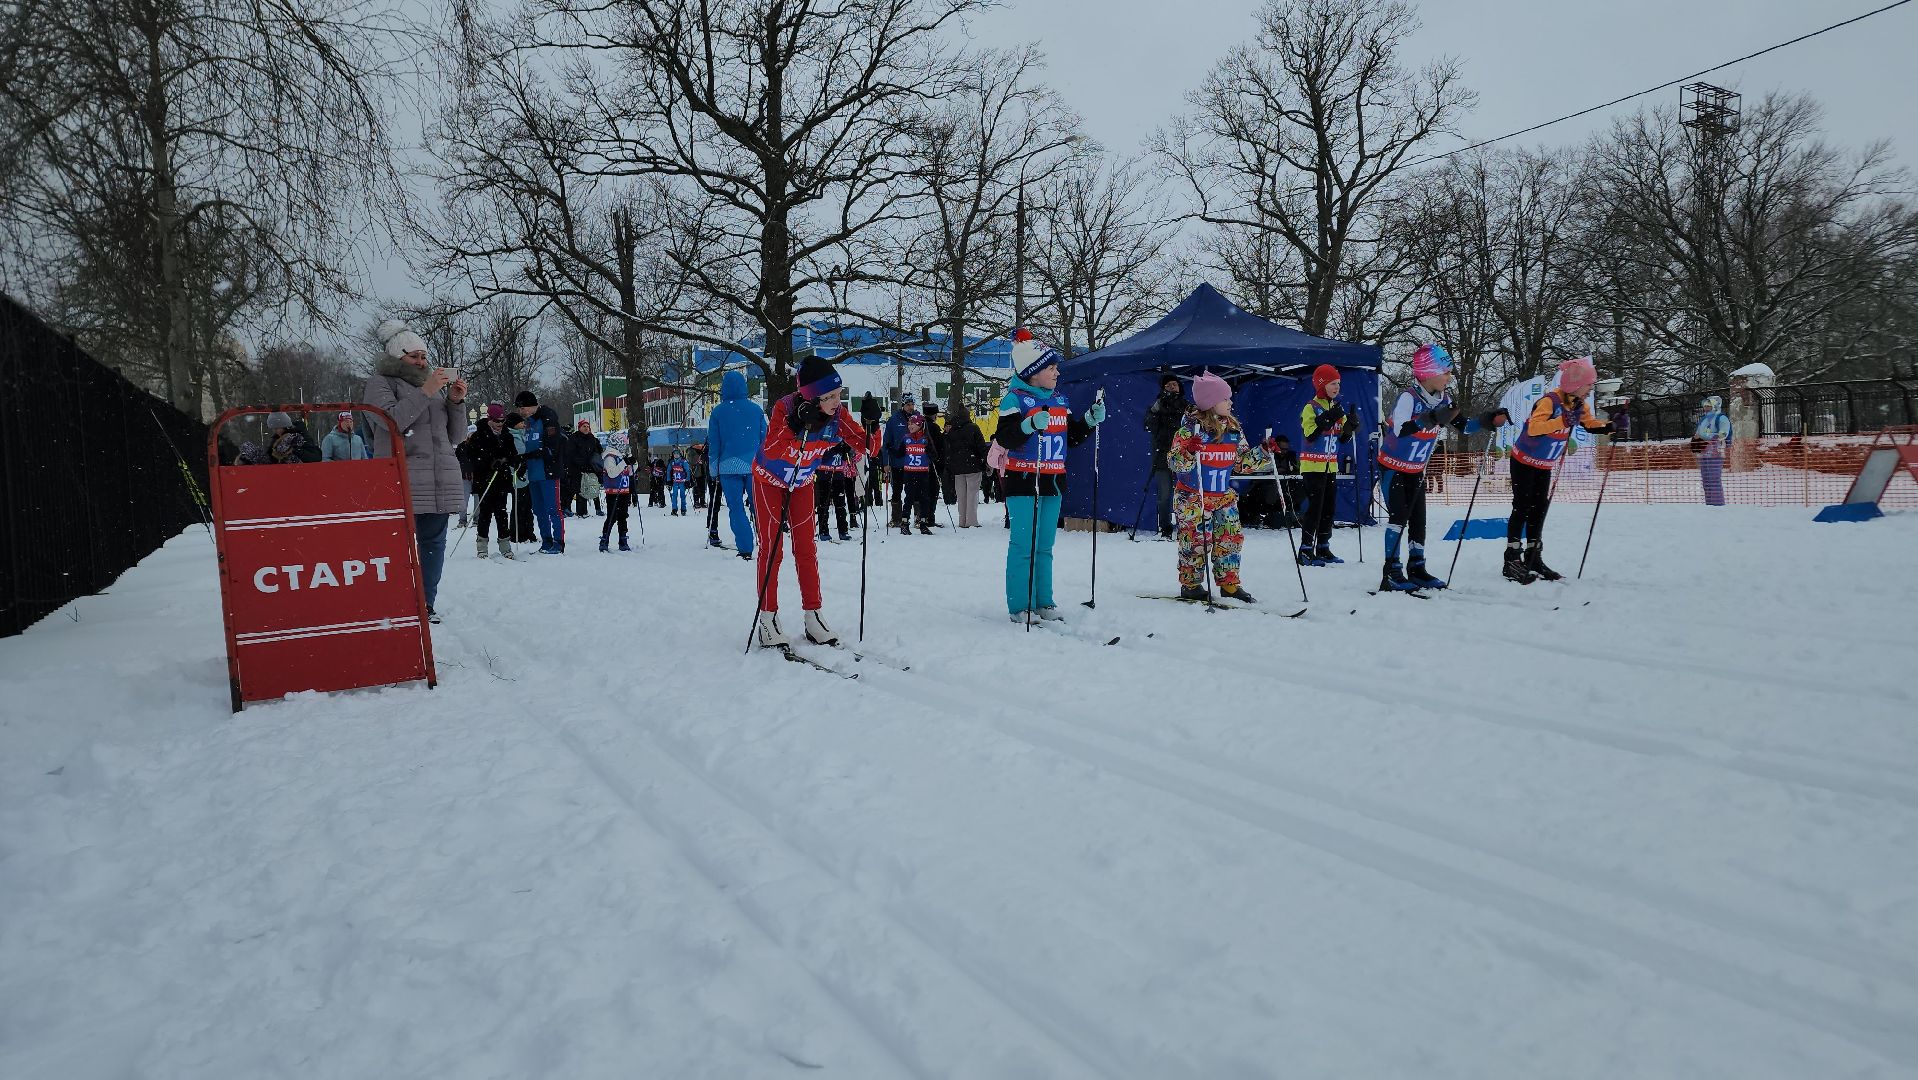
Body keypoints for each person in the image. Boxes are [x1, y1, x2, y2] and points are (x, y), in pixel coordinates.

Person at [751, 356, 867, 648]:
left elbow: (865, 442)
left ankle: (813, 614)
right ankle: (768, 618)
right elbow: (773, 447)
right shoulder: (785, 407)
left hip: (802, 482)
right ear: (812, 397)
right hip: (769, 480)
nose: (836, 402)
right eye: (829, 397)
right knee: (772, 549)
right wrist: (794, 423)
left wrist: (873, 428)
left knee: (806, 548)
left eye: (839, 395)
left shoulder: (838, 415)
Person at [1374, 344, 1507, 592]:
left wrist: (1488, 419)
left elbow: (1464, 426)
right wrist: (1432, 419)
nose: (1449, 376)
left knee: (1418, 520)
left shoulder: (1445, 399)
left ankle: (1417, 568)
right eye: (1446, 372)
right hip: (1393, 467)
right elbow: (1401, 429)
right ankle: (1391, 570)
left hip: (1416, 470)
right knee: (1398, 518)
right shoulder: (1408, 397)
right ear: (1428, 373)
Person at [996, 329, 1103, 622]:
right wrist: (1028, 426)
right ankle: (1020, 605)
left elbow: (1072, 437)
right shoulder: (1014, 400)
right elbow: (1005, 437)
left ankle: (1044, 601)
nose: (1057, 372)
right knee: (1023, 544)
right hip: (1023, 480)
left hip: (1053, 479)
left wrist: (1089, 421)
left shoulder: (1060, 400)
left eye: (1056, 367)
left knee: (1045, 545)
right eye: (1051, 368)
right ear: (1033, 372)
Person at [364, 320, 468, 621]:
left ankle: (426, 603)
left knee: (434, 542)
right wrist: (426, 391)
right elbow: (391, 422)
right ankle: (397, 602)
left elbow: (456, 437)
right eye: (414, 356)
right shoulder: (380, 383)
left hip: (438, 478)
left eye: (424, 356)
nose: (421, 362)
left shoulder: (433, 389)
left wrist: (455, 402)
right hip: (403, 478)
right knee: (398, 544)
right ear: (398, 356)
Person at [1166, 371, 1276, 602]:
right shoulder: (1189, 430)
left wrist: (1263, 451)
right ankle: (1191, 584)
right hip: (1193, 497)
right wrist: (1188, 450)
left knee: (1230, 538)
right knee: (1196, 541)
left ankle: (1229, 584)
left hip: (1223, 496)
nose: (1230, 402)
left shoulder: (1233, 430)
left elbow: (1242, 463)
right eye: (1226, 398)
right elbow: (1175, 463)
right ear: (1210, 403)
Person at [1505, 356, 1614, 582]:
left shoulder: (1578, 404)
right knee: (1522, 507)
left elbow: (1590, 424)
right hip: (1524, 461)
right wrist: (1562, 422)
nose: (1591, 390)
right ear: (1575, 385)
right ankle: (1511, 559)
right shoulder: (1550, 401)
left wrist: (1610, 426)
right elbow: (1534, 428)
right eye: (1589, 385)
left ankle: (1533, 556)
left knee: (1539, 509)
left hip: (1544, 464)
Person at [1297, 364, 1354, 566]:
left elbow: (1343, 440)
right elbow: (1310, 434)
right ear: (1321, 384)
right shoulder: (1311, 406)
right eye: (1332, 383)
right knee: (1315, 507)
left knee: (1329, 508)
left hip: (1330, 466)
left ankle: (1323, 546)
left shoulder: (1336, 407)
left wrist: (1350, 427)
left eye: (1338, 383)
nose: (1336, 387)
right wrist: (1327, 419)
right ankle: (1305, 549)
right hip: (1313, 466)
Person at [706, 369, 766, 558]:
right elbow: (766, 439)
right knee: (758, 506)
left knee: (736, 508)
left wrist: (713, 470)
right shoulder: (756, 410)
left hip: (728, 466)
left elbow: (714, 444)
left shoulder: (718, 412)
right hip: (754, 465)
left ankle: (745, 547)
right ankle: (768, 542)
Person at [507, 390, 568, 554]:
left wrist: (528, 456)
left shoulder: (548, 419)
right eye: (519, 409)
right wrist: (523, 465)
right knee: (538, 510)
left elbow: (551, 449)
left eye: (523, 408)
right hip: (533, 474)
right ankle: (546, 540)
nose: (521, 412)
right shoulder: (529, 423)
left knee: (553, 509)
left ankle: (558, 542)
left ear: (532, 405)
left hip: (548, 473)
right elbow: (530, 446)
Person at [464, 403, 518, 559]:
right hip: (485, 480)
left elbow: (512, 453)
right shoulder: (479, 433)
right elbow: (471, 455)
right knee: (485, 514)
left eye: (502, 421)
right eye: (497, 421)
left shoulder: (506, 434)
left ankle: (505, 546)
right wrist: (489, 462)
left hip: (501, 479)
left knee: (502, 514)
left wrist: (512, 460)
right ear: (489, 418)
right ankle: (482, 547)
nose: (500, 424)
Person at [1143, 373, 1185, 539]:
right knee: (1164, 495)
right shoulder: (1157, 405)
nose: (1172, 387)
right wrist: (1155, 410)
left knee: (1185, 493)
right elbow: (1147, 425)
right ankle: (1165, 526)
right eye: (1168, 385)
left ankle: (1185, 524)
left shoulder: (1186, 406)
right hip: (1162, 456)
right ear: (1163, 388)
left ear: (1179, 387)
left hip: (1183, 456)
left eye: (1174, 384)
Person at [945, 409, 988, 527]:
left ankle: (962, 520)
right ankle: (972, 521)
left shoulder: (952, 430)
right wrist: (986, 460)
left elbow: (948, 448)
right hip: (973, 464)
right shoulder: (973, 428)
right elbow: (981, 446)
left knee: (961, 495)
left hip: (957, 467)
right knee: (972, 493)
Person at [899, 412, 935, 535]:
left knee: (924, 498)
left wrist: (930, 453)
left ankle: (923, 523)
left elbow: (934, 455)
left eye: (912, 423)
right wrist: (891, 449)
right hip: (909, 473)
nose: (910, 426)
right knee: (909, 498)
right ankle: (904, 523)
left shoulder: (925, 439)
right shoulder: (906, 438)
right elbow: (900, 452)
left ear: (919, 424)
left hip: (923, 473)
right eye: (908, 424)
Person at [884, 394, 916, 527]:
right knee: (896, 490)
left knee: (914, 490)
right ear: (903, 405)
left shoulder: (918, 418)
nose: (911, 407)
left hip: (914, 461)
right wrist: (886, 462)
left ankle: (918, 517)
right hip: (897, 462)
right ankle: (896, 518)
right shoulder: (894, 420)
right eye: (908, 404)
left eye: (912, 404)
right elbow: (886, 442)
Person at [1692, 394, 1730, 506]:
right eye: (1705, 405)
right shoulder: (1704, 419)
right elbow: (1698, 433)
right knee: (1706, 481)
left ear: (1715, 405)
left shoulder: (1721, 418)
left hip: (1715, 452)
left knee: (1714, 480)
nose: (1706, 407)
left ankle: (1717, 506)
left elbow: (1723, 433)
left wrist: (1709, 436)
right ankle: (1709, 505)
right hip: (1703, 453)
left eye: (1708, 405)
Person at [815, 442, 855, 541]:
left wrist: (848, 450)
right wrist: (834, 450)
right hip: (824, 474)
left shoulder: (842, 436)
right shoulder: (825, 434)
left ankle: (843, 531)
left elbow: (851, 455)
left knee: (840, 504)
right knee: (824, 504)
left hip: (838, 474)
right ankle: (823, 530)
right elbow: (820, 456)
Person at [599, 447, 634, 552]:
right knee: (612, 516)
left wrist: (633, 463)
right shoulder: (610, 457)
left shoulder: (622, 457)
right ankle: (605, 539)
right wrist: (623, 462)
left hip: (624, 491)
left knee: (623, 516)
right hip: (613, 492)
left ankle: (623, 540)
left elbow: (630, 473)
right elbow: (612, 473)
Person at [924, 400, 952, 522]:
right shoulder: (934, 428)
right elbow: (941, 446)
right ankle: (930, 517)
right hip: (934, 463)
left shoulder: (921, 426)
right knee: (933, 491)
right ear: (934, 415)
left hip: (922, 463)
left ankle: (924, 517)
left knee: (924, 491)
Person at [667, 449, 690, 515]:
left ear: (680, 454)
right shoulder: (672, 462)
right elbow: (668, 471)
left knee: (682, 495)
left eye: (677, 453)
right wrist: (668, 480)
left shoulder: (683, 461)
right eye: (674, 454)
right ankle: (674, 509)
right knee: (674, 495)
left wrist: (687, 480)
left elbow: (688, 471)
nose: (676, 455)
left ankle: (683, 509)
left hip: (682, 481)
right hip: (675, 481)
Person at [689, 444, 709, 510]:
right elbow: (692, 461)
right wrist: (699, 459)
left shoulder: (702, 452)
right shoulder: (691, 452)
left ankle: (702, 501)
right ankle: (696, 502)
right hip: (696, 473)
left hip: (703, 472)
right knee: (696, 487)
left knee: (702, 487)